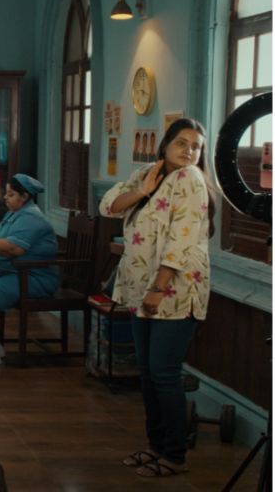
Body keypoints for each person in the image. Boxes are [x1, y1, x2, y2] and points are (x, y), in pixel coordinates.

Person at [100, 118, 215, 478]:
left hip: (173, 290)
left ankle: (175, 455)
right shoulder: (149, 172)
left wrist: (158, 287)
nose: (189, 151)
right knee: (148, 373)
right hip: (140, 286)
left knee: (164, 374)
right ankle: (155, 446)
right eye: (182, 143)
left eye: (196, 146)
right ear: (165, 144)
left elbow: (182, 237)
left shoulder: (191, 179)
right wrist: (143, 191)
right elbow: (108, 206)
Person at [0, 174, 59, 368]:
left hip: (32, 277)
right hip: (14, 273)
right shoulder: (15, 213)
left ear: (24, 197)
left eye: (11, 194)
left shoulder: (31, 218)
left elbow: (12, 249)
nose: (5, 197)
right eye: (6, 193)